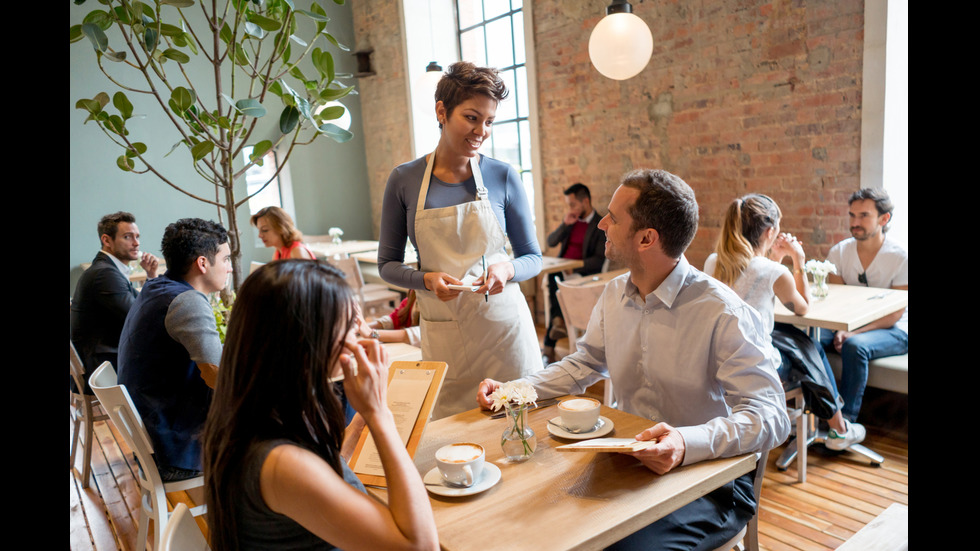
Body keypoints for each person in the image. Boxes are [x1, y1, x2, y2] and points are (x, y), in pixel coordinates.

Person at [478, 169, 790, 550]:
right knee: (528, 522)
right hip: (625, 463)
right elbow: (582, 365)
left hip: (708, 481)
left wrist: (684, 442)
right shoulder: (613, 295)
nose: (603, 224)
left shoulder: (723, 311)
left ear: (646, 238)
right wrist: (514, 390)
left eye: (613, 217)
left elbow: (771, 417)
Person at [203, 261, 438, 551]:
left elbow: (322, 470)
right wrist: (379, 414)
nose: (360, 338)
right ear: (308, 341)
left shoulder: (253, 413)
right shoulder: (281, 464)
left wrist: (358, 426)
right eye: (350, 326)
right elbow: (420, 546)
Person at [377, 61, 542, 418]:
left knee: (519, 438)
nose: (481, 130)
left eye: (489, 121)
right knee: (454, 443)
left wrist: (507, 270)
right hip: (445, 337)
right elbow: (386, 265)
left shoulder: (502, 176)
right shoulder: (404, 180)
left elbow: (532, 256)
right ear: (442, 111)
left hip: (505, 336)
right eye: (472, 117)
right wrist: (425, 279)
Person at [704, 194, 865, 451]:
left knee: (798, 341)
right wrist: (797, 260)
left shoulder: (714, 262)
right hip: (755, 365)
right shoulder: (773, 271)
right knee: (809, 348)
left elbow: (754, 290)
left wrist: (774, 259)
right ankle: (838, 428)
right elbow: (803, 307)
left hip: (717, 359)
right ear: (770, 231)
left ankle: (825, 425)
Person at [117, 218, 231, 481]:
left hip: (157, 435)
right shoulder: (186, 301)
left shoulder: (157, 287)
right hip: (177, 448)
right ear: (202, 263)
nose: (230, 268)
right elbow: (217, 376)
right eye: (225, 259)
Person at [824, 188, 908, 422]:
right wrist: (842, 329)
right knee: (806, 338)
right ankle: (819, 410)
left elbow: (894, 314)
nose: (855, 222)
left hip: (896, 329)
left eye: (863, 216)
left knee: (855, 346)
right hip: (848, 324)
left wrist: (852, 332)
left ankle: (844, 424)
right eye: (852, 215)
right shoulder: (839, 252)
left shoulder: (900, 257)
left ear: (884, 219)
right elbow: (836, 301)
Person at [70, 212, 160, 384]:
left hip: (104, 359)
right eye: (127, 237)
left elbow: (140, 306)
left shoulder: (107, 269)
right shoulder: (105, 274)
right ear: (106, 240)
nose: (136, 243)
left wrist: (151, 275)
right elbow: (140, 318)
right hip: (102, 368)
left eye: (137, 237)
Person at [542, 183, 605, 362]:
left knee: (556, 277)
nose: (570, 209)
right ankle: (557, 322)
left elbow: (599, 260)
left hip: (581, 274)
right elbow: (551, 242)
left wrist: (575, 267)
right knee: (554, 275)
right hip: (561, 272)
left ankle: (550, 343)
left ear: (585, 201)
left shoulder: (599, 225)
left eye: (573, 204)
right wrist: (564, 224)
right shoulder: (571, 221)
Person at [250, 206, 316, 260]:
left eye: (265, 230)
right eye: (259, 230)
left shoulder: (297, 252)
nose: (260, 235)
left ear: (281, 228)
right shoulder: (278, 253)